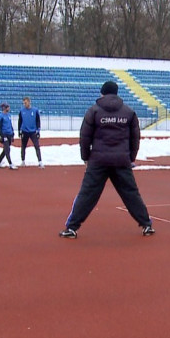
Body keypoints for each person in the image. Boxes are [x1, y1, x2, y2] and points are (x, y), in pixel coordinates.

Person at [59, 81, 154, 238]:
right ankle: (146, 224)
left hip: (98, 160)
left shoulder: (94, 111)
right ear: (116, 93)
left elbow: (85, 136)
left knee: (87, 194)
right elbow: (135, 138)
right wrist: (131, 157)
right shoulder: (129, 112)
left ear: (102, 93)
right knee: (131, 193)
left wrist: (85, 157)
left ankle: (72, 227)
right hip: (121, 160)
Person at [18, 96, 44, 168]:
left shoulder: (35, 110)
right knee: (23, 146)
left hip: (33, 131)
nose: (24, 104)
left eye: (25, 103)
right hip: (24, 131)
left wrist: (38, 130)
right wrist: (19, 131)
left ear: (29, 102)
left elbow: (38, 120)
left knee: (37, 146)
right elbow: (20, 121)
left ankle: (40, 161)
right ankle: (23, 161)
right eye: (23, 103)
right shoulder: (22, 111)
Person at [0, 102, 18, 170]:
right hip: (4, 134)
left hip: (9, 134)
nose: (9, 108)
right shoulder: (1, 116)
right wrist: (2, 135)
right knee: (7, 149)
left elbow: (10, 125)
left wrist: (12, 133)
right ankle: (10, 164)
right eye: (7, 107)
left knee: (5, 150)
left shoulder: (9, 115)